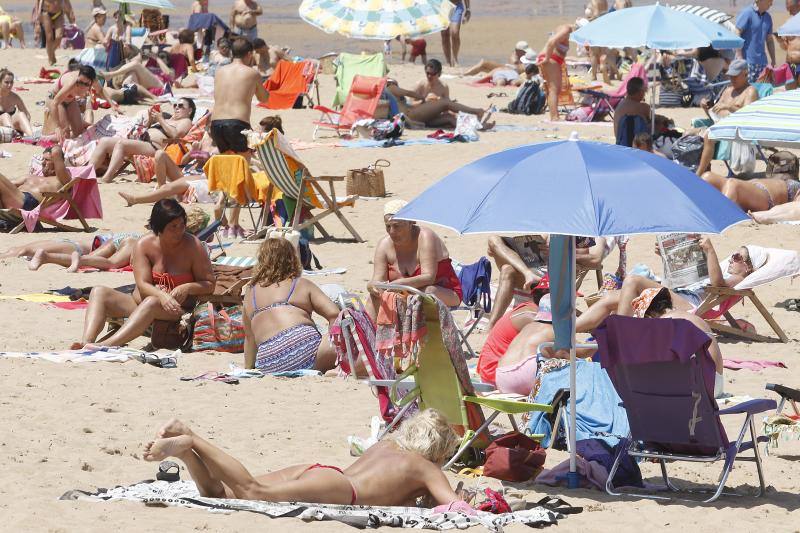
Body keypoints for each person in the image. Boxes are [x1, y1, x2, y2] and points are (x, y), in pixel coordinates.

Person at [141, 410, 470, 509]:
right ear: (438, 450)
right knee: (252, 491)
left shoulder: (387, 445)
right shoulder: (426, 467)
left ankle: (187, 451)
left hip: (321, 472)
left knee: (222, 495)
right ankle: (192, 437)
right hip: (343, 489)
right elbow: (454, 507)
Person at [73, 200, 214, 349]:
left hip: (178, 310)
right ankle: (86, 342)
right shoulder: (144, 244)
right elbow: (142, 284)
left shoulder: (193, 246)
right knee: (98, 292)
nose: (179, 231)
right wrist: (161, 295)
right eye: (173, 227)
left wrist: (187, 287)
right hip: (140, 304)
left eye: (182, 225)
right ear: (159, 228)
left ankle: (106, 345)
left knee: (152, 302)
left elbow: (210, 284)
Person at [242, 238, 339, 373]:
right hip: (306, 349)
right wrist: (335, 343)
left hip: (269, 362)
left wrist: (248, 368)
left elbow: (250, 336)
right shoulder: (300, 284)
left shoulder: (250, 291)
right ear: (292, 259)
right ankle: (337, 368)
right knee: (352, 328)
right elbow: (334, 314)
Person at [485, 235, 607, 329]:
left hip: (552, 280)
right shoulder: (555, 226)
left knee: (507, 270)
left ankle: (491, 327)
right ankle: (528, 274)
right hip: (534, 269)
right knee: (494, 240)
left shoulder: (593, 234)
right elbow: (534, 242)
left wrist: (560, 252)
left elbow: (596, 259)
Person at [367, 200, 463, 318]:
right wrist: (372, 287)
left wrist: (399, 284)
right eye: (388, 226)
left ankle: (417, 336)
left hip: (445, 293)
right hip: (405, 296)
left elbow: (429, 277)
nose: (392, 232)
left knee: (426, 292)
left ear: (411, 222)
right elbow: (377, 280)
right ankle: (371, 335)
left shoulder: (425, 236)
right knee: (373, 298)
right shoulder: (384, 245)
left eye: (396, 226)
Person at [90, 97, 196, 183]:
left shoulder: (186, 121)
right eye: (175, 105)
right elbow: (146, 128)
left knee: (121, 144)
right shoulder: (169, 119)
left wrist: (160, 119)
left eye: (181, 106)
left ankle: (107, 177)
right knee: (104, 141)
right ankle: (87, 173)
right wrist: (150, 119)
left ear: (190, 110)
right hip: (143, 141)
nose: (176, 108)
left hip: (156, 148)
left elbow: (175, 134)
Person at [695, 59, 759, 175]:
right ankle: (701, 169)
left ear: (745, 74)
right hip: (718, 124)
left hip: (735, 129)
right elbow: (713, 115)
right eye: (730, 76)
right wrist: (706, 107)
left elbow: (748, 116)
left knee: (709, 136)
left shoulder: (750, 91)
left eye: (735, 76)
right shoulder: (728, 90)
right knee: (688, 133)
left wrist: (729, 107)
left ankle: (698, 174)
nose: (732, 79)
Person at [210, 38, 270, 156]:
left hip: (216, 124)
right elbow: (264, 99)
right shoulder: (252, 73)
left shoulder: (220, 71)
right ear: (249, 54)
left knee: (228, 164)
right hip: (236, 123)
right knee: (242, 164)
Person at [48, 65, 119, 140]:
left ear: (91, 83)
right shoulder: (72, 83)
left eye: (85, 84)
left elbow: (101, 91)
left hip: (70, 100)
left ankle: (79, 123)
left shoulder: (93, 80)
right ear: (78, 77)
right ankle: (47, 138)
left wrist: (113, 105)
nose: (81, 86)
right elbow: (54, 103)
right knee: (65, 134)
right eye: (79, 82)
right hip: (55, 98)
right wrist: (57, 127)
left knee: (79, 132)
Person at [386, 80, 494, 129]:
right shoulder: (390, 87)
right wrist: (423, 98)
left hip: (414, 117)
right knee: (445, 103)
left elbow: (408, 104)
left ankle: (478, 126)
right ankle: (477, 111)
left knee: (449, 118)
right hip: (413, 115)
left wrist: (424, 102)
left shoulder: (387, 95)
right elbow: (408, 93)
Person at [0, 145, 70, 212]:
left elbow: (56, 151)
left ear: (56, 162)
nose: (43, 162)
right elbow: (8, 184)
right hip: (15, 198)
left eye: (47, 160)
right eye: (43, 159)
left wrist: (56, 152)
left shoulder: (60, 180)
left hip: (27, 203)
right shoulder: (30, 177)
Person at [701, 170, 800, 212]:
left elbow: (722, 213)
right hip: (780, 188)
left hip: (787, 191)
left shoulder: (731, 188)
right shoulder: (731, 185)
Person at [538, 22, 574, 121]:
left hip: (552, 59)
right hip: (550, 58)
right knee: (553, 89)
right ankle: (554, 117)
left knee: (555, 89)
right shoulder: (566, 29)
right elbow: (551, 42)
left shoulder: (563, 29)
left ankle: (555, 115)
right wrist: (546, 59)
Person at [735, 0, 776, 82]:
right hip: (747, 63)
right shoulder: (747, 13)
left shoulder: (768, 17)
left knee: (763, 92)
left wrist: (773, 59)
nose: (771, 4)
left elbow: (769, 40)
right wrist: (739, 55)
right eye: (770, 1)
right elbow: (737, 32)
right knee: (748, 92)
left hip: (763, 63)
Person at [461, 41, 530, 76]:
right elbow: (514, 66)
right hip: (507, 70)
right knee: (483, 64)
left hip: (507, 71)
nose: (525, 52)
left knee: (483, 66)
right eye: (523, 51)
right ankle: (466, 74)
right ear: (518, 50)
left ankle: (466, 74)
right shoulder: (514, 56)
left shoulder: (522, 55)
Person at [37, 0, 75, 65]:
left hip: (59, 13)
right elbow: (38, 1)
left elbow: (67, 2)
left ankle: (51, 53)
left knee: (59, 36)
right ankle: (50, 58)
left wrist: (71, 17)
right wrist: (38, 15)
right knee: (49, 37)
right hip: (46, 12)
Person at [0, 69, 34, 136]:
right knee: (5, 115)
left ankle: (32, 137)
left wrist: (24, 123)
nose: (9, 85)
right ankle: (13, 135)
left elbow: (27, 115)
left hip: (10, 126)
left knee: (21, 114)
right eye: (6, 82)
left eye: (11, 82)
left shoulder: (15, 97)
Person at [441, 0, 470, 67]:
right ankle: (448, 62)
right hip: (443, 6)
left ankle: (455, 58)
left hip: (456, 5)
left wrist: (468, 9)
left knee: (455, 32)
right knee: (444, 35)